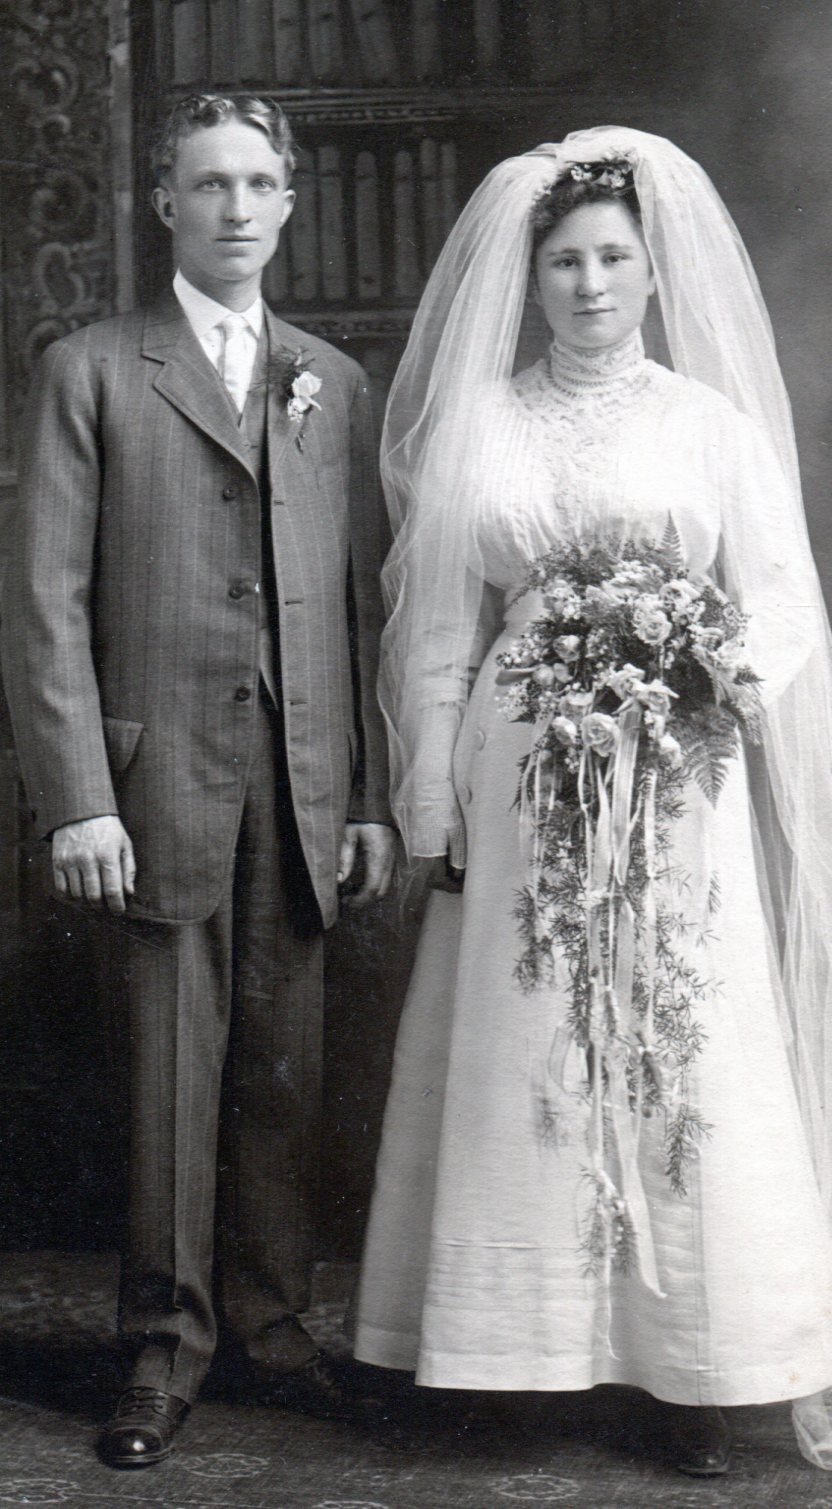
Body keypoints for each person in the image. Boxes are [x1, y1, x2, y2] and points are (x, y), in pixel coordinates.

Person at [352, 128, 832, 1477]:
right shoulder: (482, 423)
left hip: (679, 770)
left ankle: (701, 1372)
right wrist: (432, 801)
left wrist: (720, 671)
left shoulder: (708, 425)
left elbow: (783, 595)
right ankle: (515, 1359)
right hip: (520, 776)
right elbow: (442, 632)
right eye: (564, 261)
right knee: (530, 1036)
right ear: (530, 277)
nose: (587, 284)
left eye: (612, 258)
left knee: (679, 1032)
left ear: (650, 269)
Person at [0, 93, 395, 1468]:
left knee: (285, 1072)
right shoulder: (94, 368)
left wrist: (368, 796)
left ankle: (277, 1330)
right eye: (207, 184)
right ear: (163, 203)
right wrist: (75, 796)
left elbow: (356, 607)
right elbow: (42, 598)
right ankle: (162, 1348)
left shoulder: (331, 384)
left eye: (259, 183)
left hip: (299, 784)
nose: (237, 207)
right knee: (171, 1074)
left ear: (289, 203)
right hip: (151, 782)